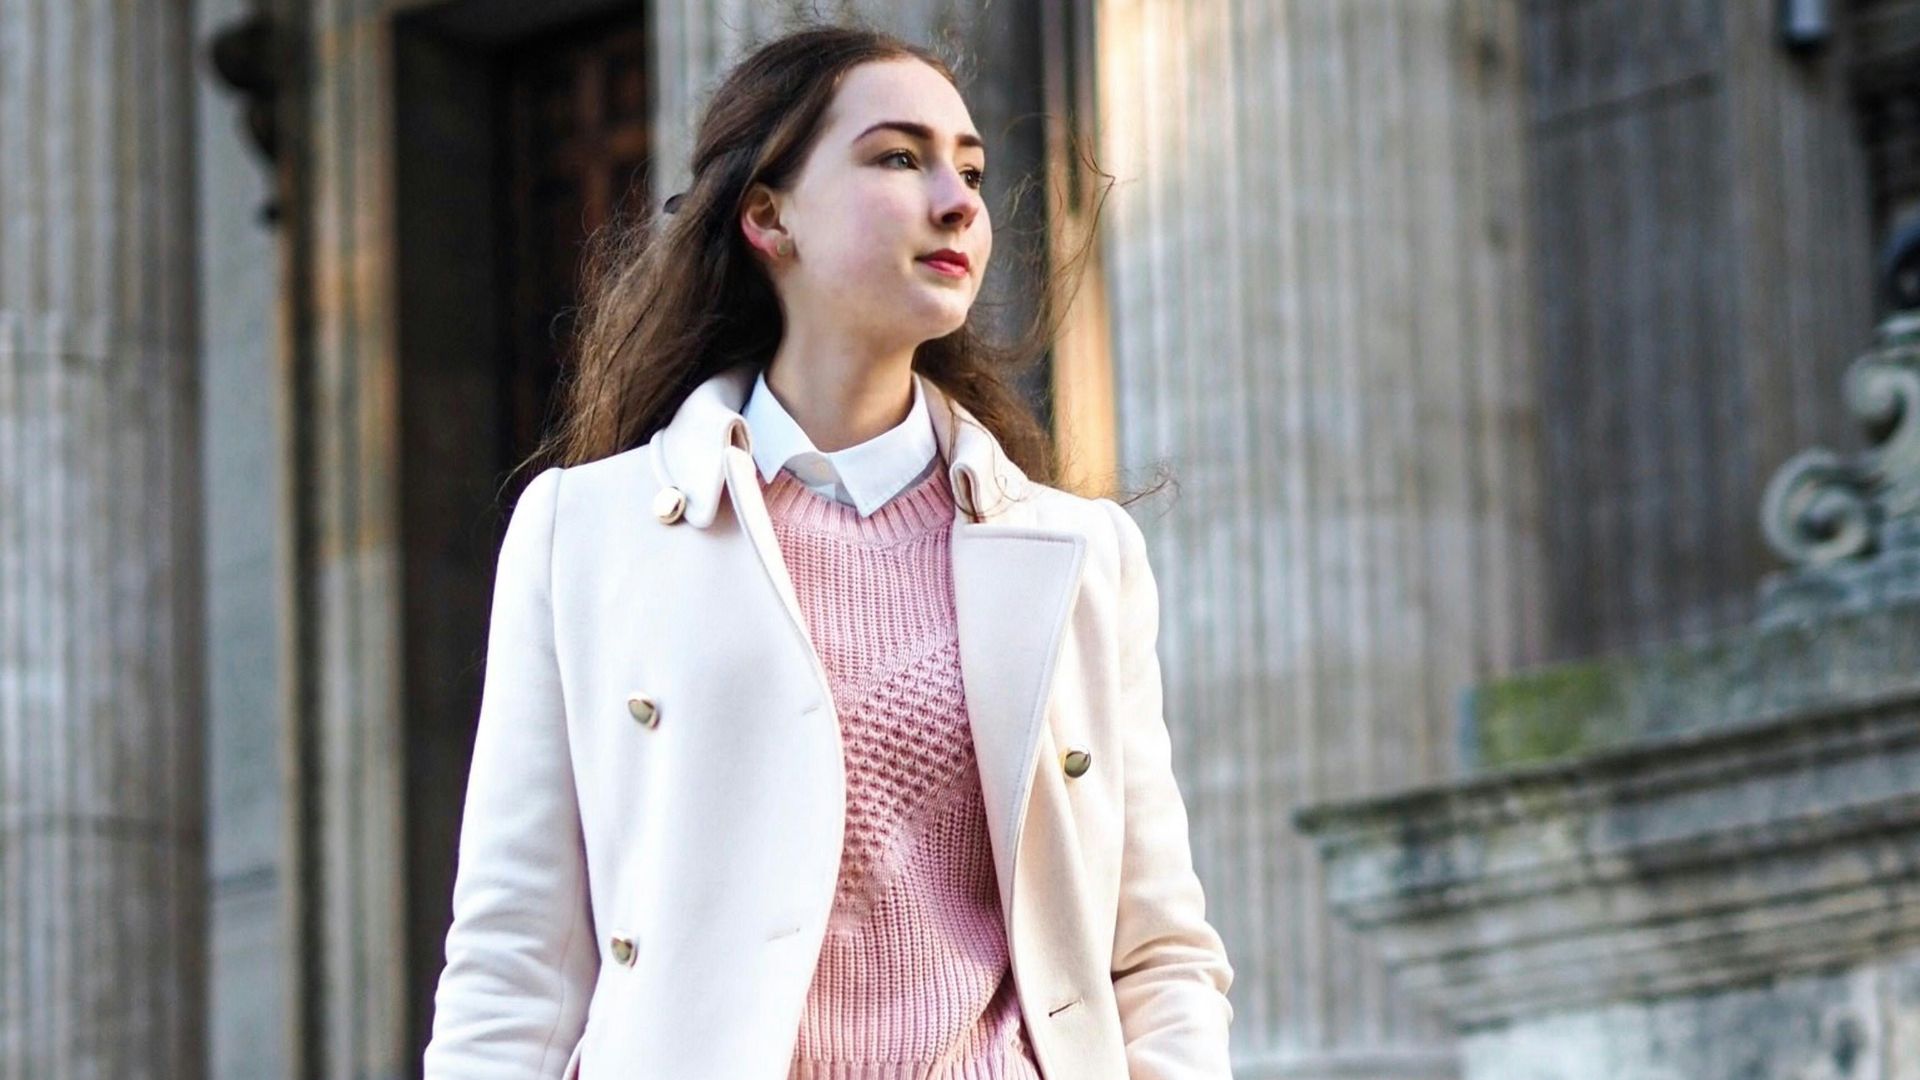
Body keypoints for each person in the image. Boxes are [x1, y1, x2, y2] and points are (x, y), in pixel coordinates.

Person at [421, 20, 1233, 1080]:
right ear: (768, 215)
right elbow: (512, 957)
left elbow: (1157, 952)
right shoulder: (586, 531)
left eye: (972, 170)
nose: (957, 200)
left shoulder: (1081, 554)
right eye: (900, 157)